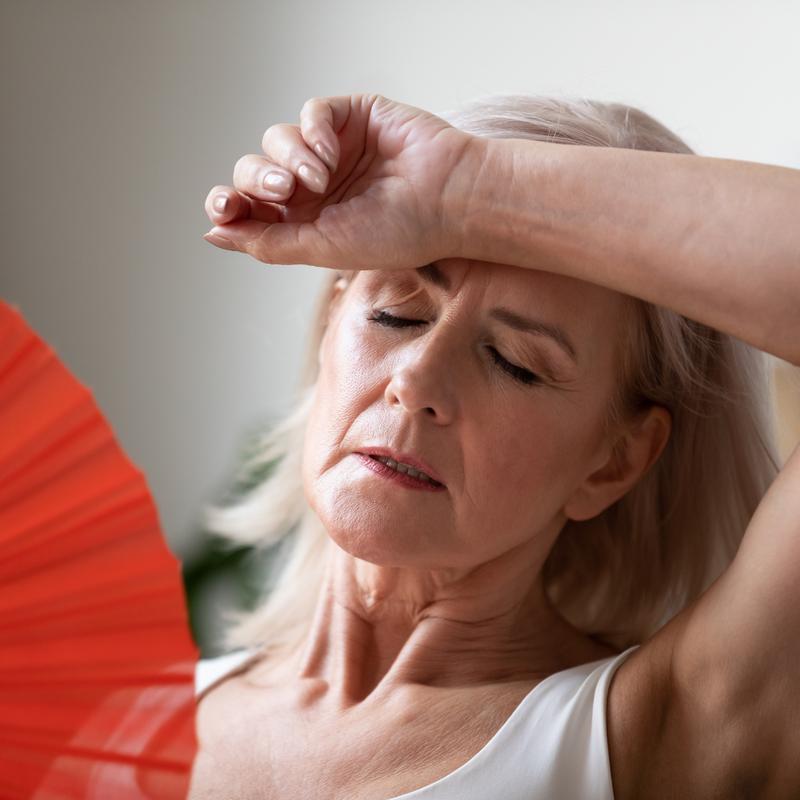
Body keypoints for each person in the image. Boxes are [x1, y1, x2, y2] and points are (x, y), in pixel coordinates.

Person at [192, 93, 799, 799]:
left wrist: (467, 188)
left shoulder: (666, 734)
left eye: (515, 361)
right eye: (396, 314)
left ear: (615, 462)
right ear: (333, 320)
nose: (415, 379)